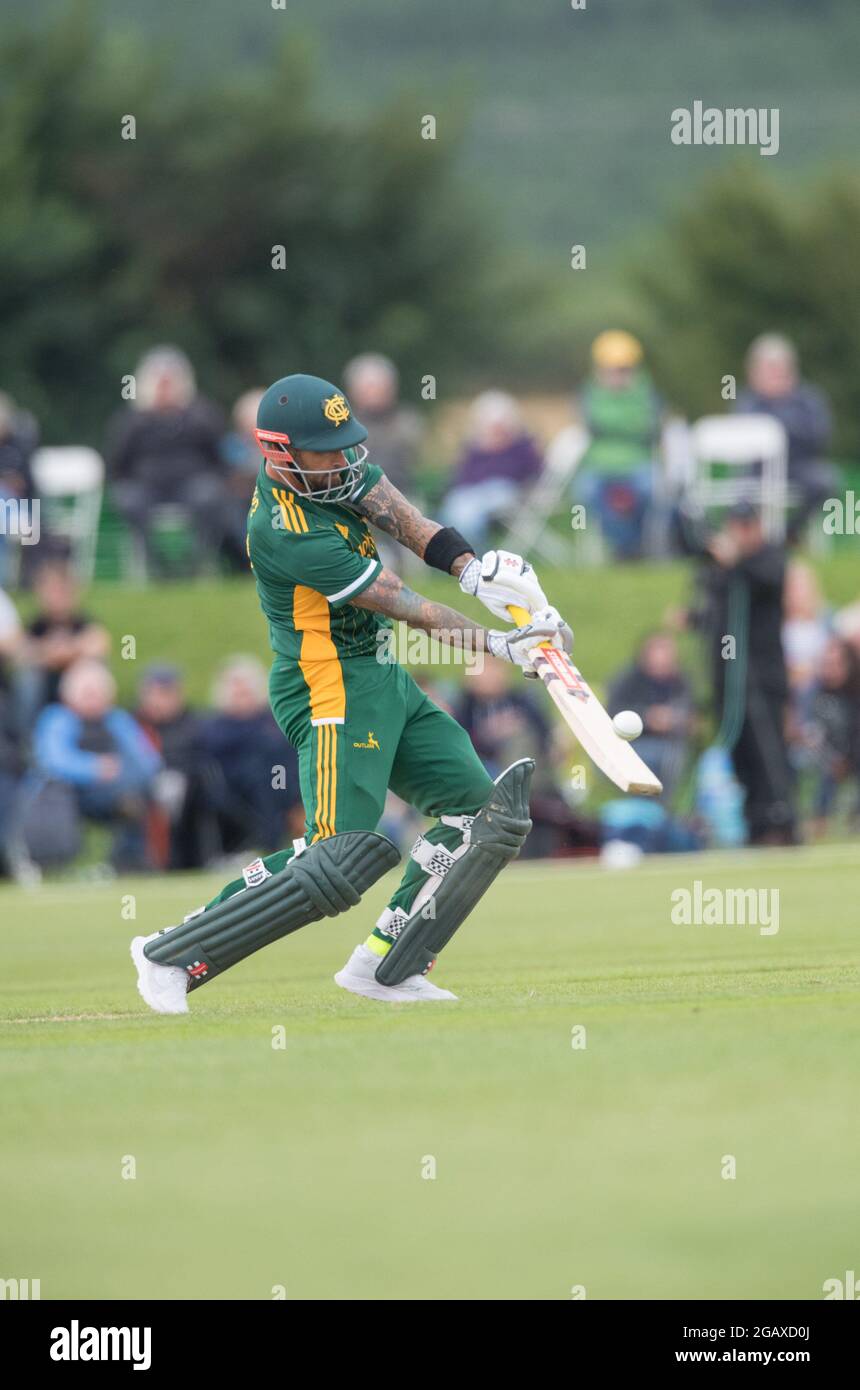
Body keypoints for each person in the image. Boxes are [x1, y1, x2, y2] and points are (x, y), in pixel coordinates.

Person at [132, 371, 571, 1014]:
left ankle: (388, 967)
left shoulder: (340, 469)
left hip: (377, 671)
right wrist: (502, 645)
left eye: (346, 443)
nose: (343, 460)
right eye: (325, 450)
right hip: (326, 685)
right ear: (281, 454)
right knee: (340, 858)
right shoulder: (281, 530)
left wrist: (476, 571)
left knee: (483, 816)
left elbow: (412, 524)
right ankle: (171, 952)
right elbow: (403, 603)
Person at [682, 502, 796, 845]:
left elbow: (765, 581)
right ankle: (755, 826)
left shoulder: (769, 558)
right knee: (740, 752)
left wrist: (736, 562)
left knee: (768, 752)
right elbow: (716, 610)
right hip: (725, 678)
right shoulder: (722, 567)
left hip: (761, 677)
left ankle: (782, 821)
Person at [105, 346, 244, 575]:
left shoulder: (202, 414)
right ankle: (156, 562)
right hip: (146, 486)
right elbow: (117, 462)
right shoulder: (132, 420)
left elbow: (218, 455)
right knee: (128, 499)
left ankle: (196, 561)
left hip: (192, 483)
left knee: (209, 494)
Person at [31, 659, 162, 869]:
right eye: (87, 693)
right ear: (69, 694)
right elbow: (53, 761)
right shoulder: (57, 719)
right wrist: (95, 767)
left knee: (137, 796)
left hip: (113, 792)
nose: (93, 699)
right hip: (67, 797)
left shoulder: (118, 720)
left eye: (98, 693)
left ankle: (131, 862)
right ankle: (58, 860)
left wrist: (125, 774)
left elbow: (147, 761)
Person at [199, 655, 304, 857]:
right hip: (231, 790)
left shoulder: (274, 722)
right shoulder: (214, 728)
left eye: (245, 692)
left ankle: (271, 842)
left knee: (271, 778)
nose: (241, 696)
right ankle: (264, 844)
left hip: (278, 786)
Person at [734, 334, 837, 538]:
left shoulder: (808, 399)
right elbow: (744, 439)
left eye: (777, 369)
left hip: (798, 466)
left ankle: (790, 534)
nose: (774, 375)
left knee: (825, 481)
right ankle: (748, 543)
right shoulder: (748, 402)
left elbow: (819, 435)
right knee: (741, 495)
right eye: (767, 369)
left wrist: (780, 428)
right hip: (759, 469)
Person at [575, 330, 662, 559]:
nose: (616, 375)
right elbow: (591, 422)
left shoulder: (645, 390)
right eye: (610, 369)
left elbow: (648, 427)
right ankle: (623, 546)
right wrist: (627, 424)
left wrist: (610, 424)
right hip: (600, 464)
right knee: (586, 491)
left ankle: (633, 544)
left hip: (637, 461)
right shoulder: (590, 392)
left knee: (648, 489)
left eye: (623, 369)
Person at [134, 665, 219, 870]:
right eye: (156, 693)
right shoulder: (132, 723)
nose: (161, 700)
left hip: (187, 785)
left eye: (167, 693)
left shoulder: (194, 723)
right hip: (142, 782)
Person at [441, 391, 543, 554]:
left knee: (468, 516)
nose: (495, 431)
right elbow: (460, 478)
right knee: (455, 510)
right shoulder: (474, 449)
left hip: (506, 494)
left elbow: (532, 474)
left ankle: (476, 558)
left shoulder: (522, 447)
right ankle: (463, 557)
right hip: (470, 495)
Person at [18, 560, 110, 727]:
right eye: (50, 591)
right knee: (28, 678)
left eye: (61, 591)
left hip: (76, 688)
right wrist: (49, 654)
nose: (56, 597)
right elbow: (21, 650)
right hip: (44, 686)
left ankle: (94, 732)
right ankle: (27, 740)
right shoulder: (35, 625)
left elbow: (100, 644)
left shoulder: (84, 622)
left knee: (94, 670)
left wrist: (67, 653)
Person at [607, 632, 693, 800]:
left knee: (671, 759)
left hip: (671, 743)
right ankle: (642, 805)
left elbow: (692, 716)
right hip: (635, 743)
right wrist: (648, 718)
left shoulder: (681, 682)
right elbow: (613, 711)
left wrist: (676, 721)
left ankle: (661, 808)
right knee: (649, 758)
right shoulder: (629, 680)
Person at [342, 354, 423, 496]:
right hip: (352, 496)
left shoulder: (407, 422)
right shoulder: (342, 426)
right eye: (368, 388)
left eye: (379, 387)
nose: (374, 393)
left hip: (402, 494)